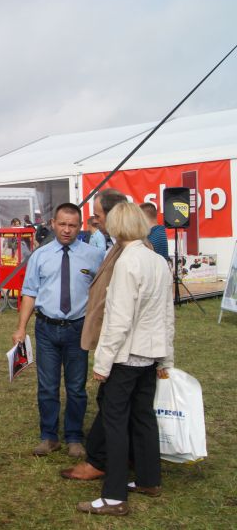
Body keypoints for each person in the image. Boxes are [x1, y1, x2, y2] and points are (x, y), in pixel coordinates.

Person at [75, 202, 174, 516]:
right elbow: (167, 315)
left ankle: (115, 496)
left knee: (115, 422)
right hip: (151, 354)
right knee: (143, 417)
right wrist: (166, 359)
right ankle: (149, 479)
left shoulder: (127, 262)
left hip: (127, 356)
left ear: (117, 227)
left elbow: (118, 320)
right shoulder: (158, 261)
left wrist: (102, 365)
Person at [11, 203, 105, 457]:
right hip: (46, 329)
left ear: (80, 226)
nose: (66, 230)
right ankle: (49, 436)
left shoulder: (95, 256)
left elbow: (102, 293)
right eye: (62, 224)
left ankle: (74, 437)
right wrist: (21, 328)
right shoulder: (40, 255)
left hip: (78, 329)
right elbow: (30, 292)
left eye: (72, 225)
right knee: (47, 386)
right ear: (53, 223)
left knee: (76, 387)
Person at [61, 188, 128, 480]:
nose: (95, 221)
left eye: (98, 216)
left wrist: (104, 357)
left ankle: (102, 465)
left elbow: (121, 310)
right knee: (128, 408)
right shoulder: (123, 248)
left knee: (111, 405)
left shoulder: (127, 253)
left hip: (124, 348)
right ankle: (144, 471)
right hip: (127, 347)